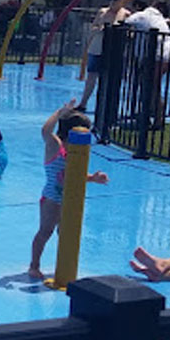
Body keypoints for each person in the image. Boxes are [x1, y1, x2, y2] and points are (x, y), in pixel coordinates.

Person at [28, 101, 110, 279]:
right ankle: (34, 265)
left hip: (70, 197)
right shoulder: (56, 146)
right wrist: (59, 112)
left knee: (66, 233)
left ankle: (64, 265)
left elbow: (73, 175)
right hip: (52, 199)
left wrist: (93, 178)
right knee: (45, 231)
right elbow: (45, 131)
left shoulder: (76, 151)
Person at [77, 0, 132, 111]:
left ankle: (108, 106)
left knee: (111, 79)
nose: (112, 2)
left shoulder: (126, 14)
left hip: (114, 51)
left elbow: (130, 33)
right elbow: (93, 28)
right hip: (97, 48)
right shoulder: (102, 12)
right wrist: (100, 29)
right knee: (91, 76)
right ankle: (83, 103)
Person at [123, 0, 170, 128]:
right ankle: (151, 115)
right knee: (153, 87)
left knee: (150, 88)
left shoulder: (142, 15)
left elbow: (125, 22)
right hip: (165, 58)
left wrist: (125, 15)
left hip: (152, 57)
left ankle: (155, 118)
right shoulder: (160, 19)